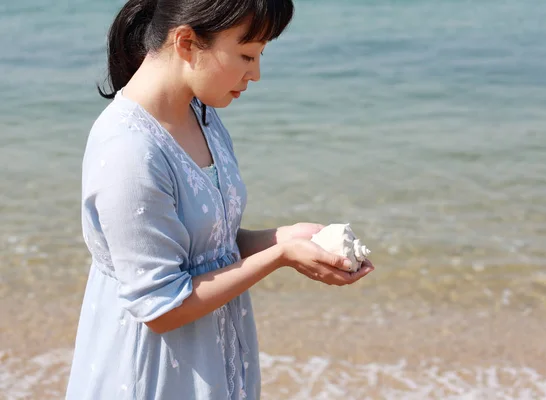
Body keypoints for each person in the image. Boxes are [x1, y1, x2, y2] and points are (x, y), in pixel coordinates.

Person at [65, 0, 375, 398]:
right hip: (154, 374)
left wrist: (286, 237)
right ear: (187, 41)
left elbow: (207, 244)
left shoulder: (199, 113)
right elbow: (161, 308)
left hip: (216, 361)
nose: (256, 74)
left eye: (260, 55)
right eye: (247, 54)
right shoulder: (129, 150)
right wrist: (279, 257)